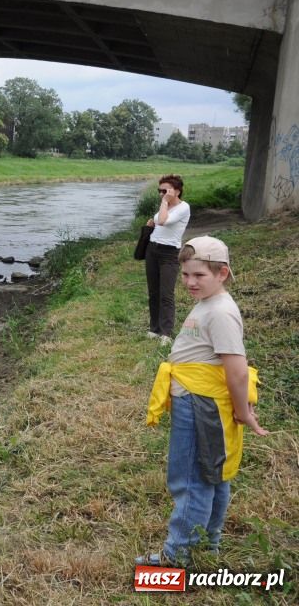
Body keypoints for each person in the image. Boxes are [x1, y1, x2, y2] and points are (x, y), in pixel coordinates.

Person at [141, 236, 268, 567]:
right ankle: (206, 548)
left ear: (222, 273)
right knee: (213, 474)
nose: (189, 282)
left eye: (199, 276)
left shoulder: (221, 312)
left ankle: (178, 558)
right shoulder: (210, 304)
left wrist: (243, 412)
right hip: (197, 401)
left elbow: (237, 372)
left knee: (191, 480)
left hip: (200, 405)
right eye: (185, 275)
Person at [145, 175, 190, 343]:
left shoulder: (183, 207)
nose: (161, 194)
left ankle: (166, 333)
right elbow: (159, 221)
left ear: (177, 191)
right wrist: (151, 223)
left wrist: (164, 202)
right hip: (153, 249)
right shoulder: (166, 205)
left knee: (166, 294)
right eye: (159, 191)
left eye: (165, 191)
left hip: (169, 253)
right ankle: (154, 329)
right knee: (153, 291)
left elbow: (163, 221)